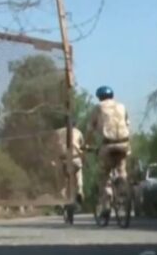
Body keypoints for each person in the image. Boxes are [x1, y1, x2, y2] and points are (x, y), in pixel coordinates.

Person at [84, 85, 131, 216]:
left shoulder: (98, 108)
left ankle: (106, 204)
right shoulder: (122, 106)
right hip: (124, 143)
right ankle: (123, 187)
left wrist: (86, 144)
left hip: (107, 145)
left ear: (99, 97)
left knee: (104, 175)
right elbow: (128, 124)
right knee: (122, 169)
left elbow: (90, 129)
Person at [53, 125, 85, 205]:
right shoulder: (78, 132)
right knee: (78, 171)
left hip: (62, 159)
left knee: (61, 180)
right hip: (75, 158)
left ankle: (62, 197)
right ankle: (80, 189)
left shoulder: (57, 132)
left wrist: (53, 160)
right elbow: (82, 147)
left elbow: (53, 147)